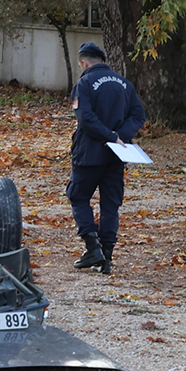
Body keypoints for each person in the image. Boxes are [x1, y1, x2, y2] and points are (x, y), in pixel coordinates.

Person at [68, 42, 146, 275]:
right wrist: (120, 137)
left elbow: (86, 118)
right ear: (103, 60)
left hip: (89, 153)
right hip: (117, 155)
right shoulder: (124, 83)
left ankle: (93, 248)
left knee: (78, 196)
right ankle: (107, 256)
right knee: (110, 204)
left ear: (83, 62)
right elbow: (138, 114)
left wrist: (109, 136)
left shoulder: (84, 83)